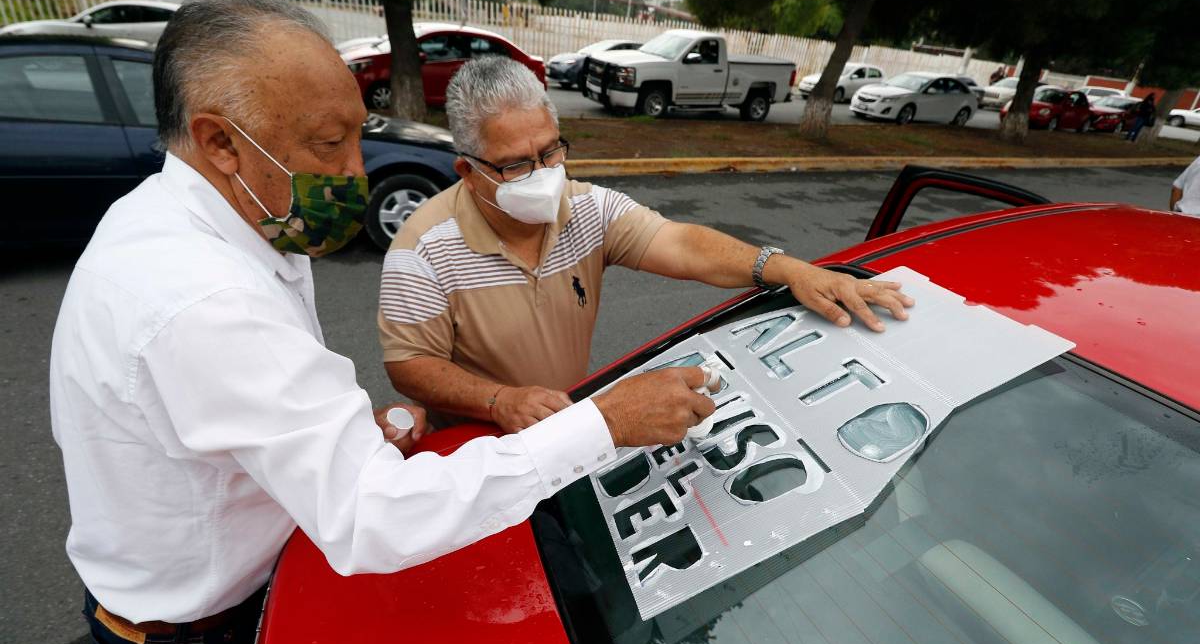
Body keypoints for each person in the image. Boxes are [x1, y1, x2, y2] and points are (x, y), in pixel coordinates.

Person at [49, 0, 713, 644]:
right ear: (221, 143)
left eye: (357, 136)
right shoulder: (203, 298)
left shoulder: (216, 221)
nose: (357, 171)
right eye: (329, 145)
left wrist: (339, 439)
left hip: (222, 583)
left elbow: (229, 418)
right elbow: (374, 515)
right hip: (206, 640)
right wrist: (601, 423)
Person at [378, 56, 915, 432]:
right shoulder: (421, 251)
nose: (542, 175)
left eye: (551, 153)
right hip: (478, 440)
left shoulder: (587, 209)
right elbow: (411, 365)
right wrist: (498, 401)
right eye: (517, 164)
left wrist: (788, 269)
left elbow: (682, 244)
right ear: (469, 173)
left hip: (568, 420)